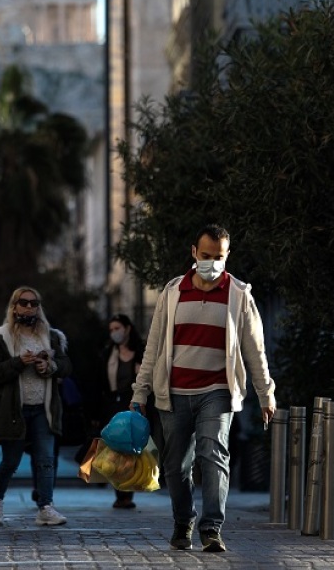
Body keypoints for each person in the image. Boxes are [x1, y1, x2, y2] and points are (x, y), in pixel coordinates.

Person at [129, 224, 276, 553]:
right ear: (194, 253)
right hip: (175, 392)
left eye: (219, 257)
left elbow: (255, 349)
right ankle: (184, 521)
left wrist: (266, 394)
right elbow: (153, 349)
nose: (212, 262)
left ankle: (212, 528)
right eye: (206, 256)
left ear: (227, 256)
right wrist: (139, 393)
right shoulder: (173, 292)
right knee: (176, 465)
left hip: (217, 391)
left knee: (214, 455)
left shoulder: (238, 295)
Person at [0, 286, 72, 527]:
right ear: (14, 306)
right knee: (10, 461)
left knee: (46, 459)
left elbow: (66, 365)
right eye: (24, 302)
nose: (29, 307)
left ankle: (45, 507)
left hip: (43, 407)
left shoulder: (51, 336)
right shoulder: (1, 337)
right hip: (13, 410)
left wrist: (48, 366)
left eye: (34, 303)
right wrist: (19, 362)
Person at [95, 313, 145, 509]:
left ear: (127, 328)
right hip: (113, 405)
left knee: (132, 451)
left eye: (117, 328)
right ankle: (121, 493)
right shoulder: (108, 353)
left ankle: (127, 493)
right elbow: (100, 382)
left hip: (134, 404)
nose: (114, 333)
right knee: (116, 450)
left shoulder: (141, 351)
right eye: (111, 330)